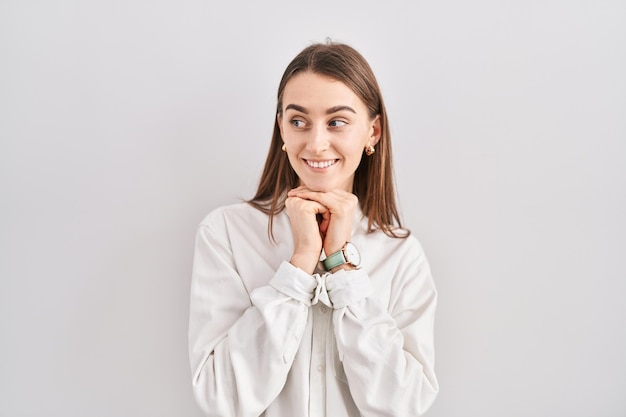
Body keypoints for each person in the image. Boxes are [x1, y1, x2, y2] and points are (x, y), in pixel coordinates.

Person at [188, 41, 439, 417]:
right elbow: (221, 398)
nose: (316, 143)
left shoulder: (400, 255)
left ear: (372, 132)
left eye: (337, 121)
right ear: (282, 130)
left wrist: (342, 267)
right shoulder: (225, 233)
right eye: (298, 121)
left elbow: (403, 404)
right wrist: (299, 264)